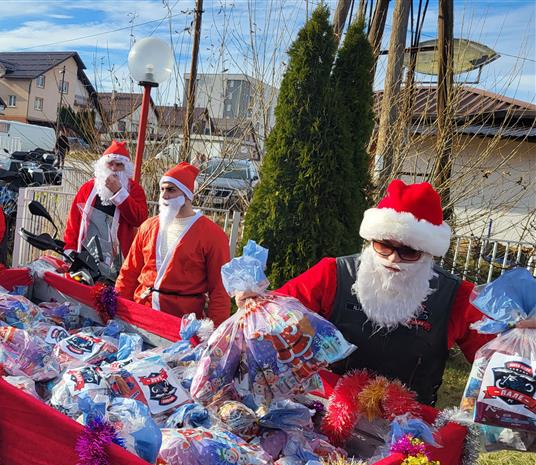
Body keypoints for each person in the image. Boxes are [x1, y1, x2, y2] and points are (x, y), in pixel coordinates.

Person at [242, 180, 496, 406]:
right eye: (383, 245)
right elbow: (277, 312)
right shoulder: (332, 273)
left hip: (409, 428)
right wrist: (253, 301)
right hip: (327, 412)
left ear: (428, 253)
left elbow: (495, 357)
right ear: (371, 239)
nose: (394, 258)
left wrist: (522, 334)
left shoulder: (458, 297)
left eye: (409, 251)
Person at [115, 162, 232, 325]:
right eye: (162, 189)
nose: (164, 195)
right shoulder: (148, 226)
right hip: (142, 313)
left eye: (171, 189)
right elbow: (129, 273)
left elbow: (220, 289)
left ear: (186, 194)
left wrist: (214, 332)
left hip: (181, 323)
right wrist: (117, 309)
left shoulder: (212, 235)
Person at [62, 140, 148, 279]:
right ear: (103, 165)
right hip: (85, 255)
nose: (113, 168)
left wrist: (119, 192)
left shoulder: (134, 190)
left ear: (125, 168)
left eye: (119, 164)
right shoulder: (88, 188)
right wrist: (69, 248)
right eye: (110, 163)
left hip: (116, 261)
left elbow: (140, 219)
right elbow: (74, 221)